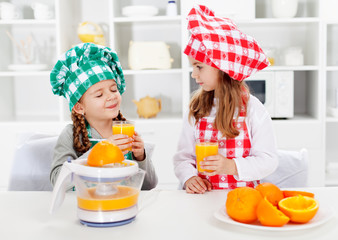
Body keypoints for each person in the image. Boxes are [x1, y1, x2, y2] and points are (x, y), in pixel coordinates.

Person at [173, 5, 278, 194]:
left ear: (222, 67)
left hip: (243, 199)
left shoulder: (253, 109)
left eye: (199, 67)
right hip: (203, 199)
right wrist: (189, 177)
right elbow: (183, 157)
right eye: (193, 67)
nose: (194, 75)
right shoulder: (197, 108)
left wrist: (232, 167)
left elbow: (268, 161)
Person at [50, 43, 157, 190]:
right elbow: (58, 181)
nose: (111, 96)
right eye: (99, 94)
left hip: (122, 204)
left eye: (113, 89)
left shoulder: (124, 131)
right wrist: (101, 150)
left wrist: (140, 157)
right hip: (86, 206)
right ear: (79, 107)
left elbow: (149, 185)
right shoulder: (71, 134)